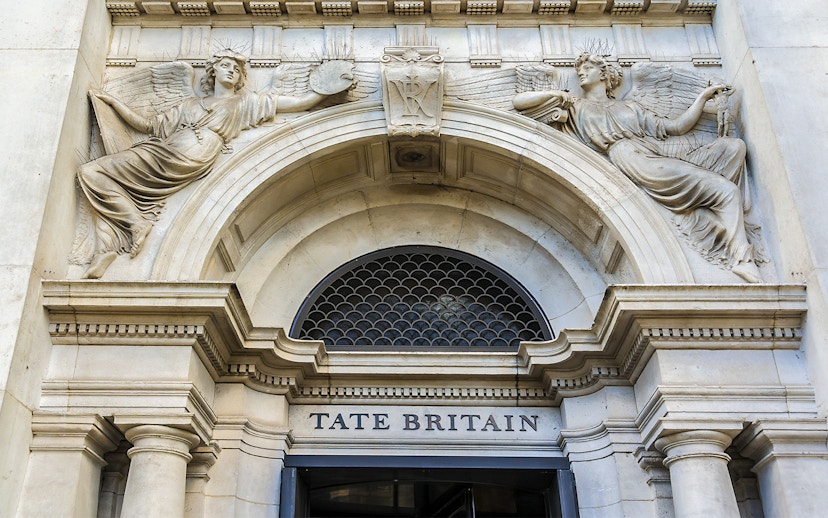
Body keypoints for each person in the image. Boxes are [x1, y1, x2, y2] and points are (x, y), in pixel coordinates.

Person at [78, 49, 349, 278]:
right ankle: (122, 234)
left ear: (243, 77)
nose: (231, 71)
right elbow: (148, 125)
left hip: (192, 154)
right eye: (225, 66)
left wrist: (324, 89)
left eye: (236, 69)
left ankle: (128, 230)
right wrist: (114, 103)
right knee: (91, 172)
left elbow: (298, 103)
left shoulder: (245, 102)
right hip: (160, 149)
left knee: (100, 173)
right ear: (213, 72)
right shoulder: (189, 104)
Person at [513, 52, 761, 283]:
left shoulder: (630, 107)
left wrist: (703, 98)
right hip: (631, 158)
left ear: (604, 74)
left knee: (733, 146)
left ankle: (719, 228)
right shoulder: (575, 106)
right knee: (725, 191)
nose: (581, 72)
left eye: (588, 68)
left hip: (654, 152)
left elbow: (675, 128)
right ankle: (741, 259)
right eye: (579, 69)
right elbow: (519, 102)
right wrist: (556, 96)